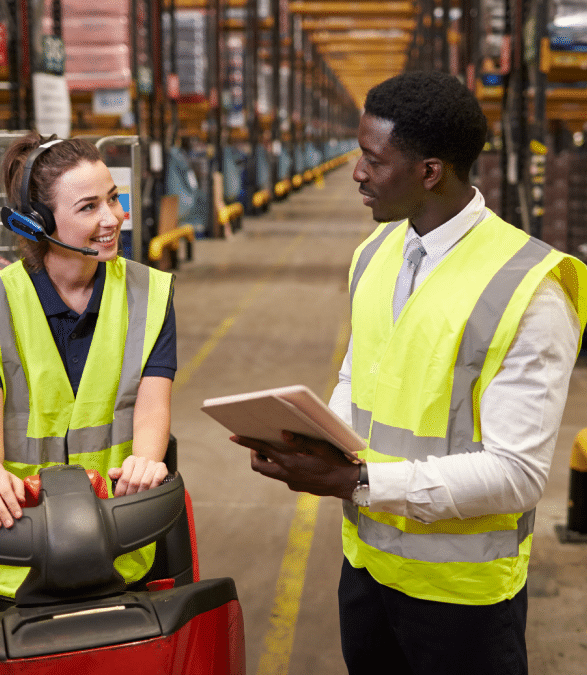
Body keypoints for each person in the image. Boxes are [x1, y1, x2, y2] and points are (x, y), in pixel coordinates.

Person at [231, 71, 587, 675]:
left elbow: (517, 475)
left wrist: (358, 482)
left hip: (463, 598)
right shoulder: (375, 254)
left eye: (373, 159)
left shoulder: (529, 289)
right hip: (369, 568)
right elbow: (357, 378)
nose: (357, 172)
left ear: (430, 172)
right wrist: (314, 437)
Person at [0, 132, 176, 603]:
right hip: (15, 542)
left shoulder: (149, 295)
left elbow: (152, 410)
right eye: (89, 207)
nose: (112, 218)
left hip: (118, 535)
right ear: (38, 223)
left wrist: (147, 462)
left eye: (113, 199)